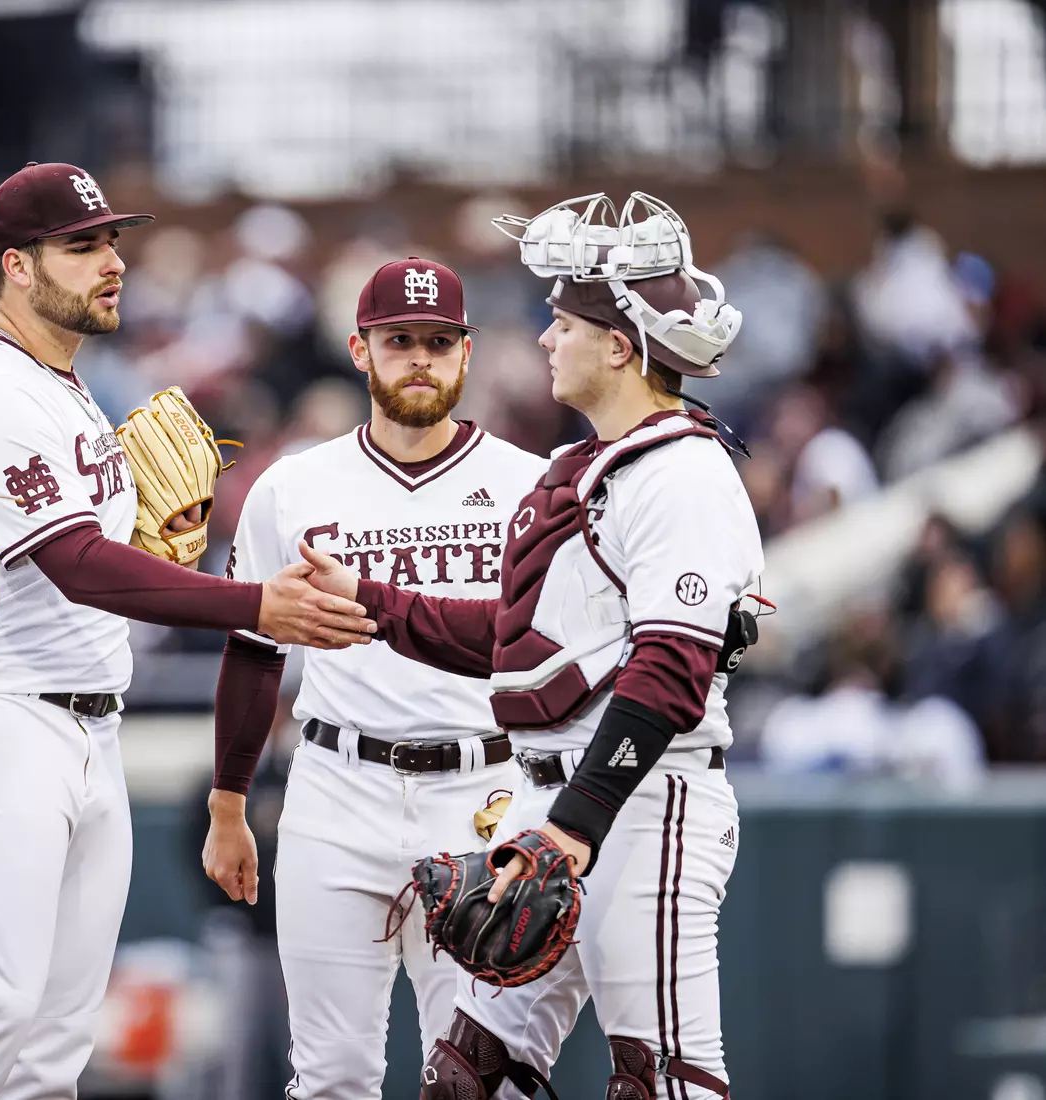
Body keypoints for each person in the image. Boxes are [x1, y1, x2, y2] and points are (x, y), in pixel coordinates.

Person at [0, 161, 376, 1099]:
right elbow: (78, 566)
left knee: (55, 1043)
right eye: (81, 246)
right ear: (16, 268)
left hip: (85, 721)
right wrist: (250, 604)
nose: (110, 260)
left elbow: (99, 555)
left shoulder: (66, 387)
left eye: (112, 241)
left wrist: (156, 548)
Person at [299, 193, 761, 1100]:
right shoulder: (588, 467)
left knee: (661, 1078)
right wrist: (370, 602)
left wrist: (571, 829)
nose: (545, 337)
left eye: (562, 319)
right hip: (559, 813)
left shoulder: (679, 471)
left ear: (619, 343)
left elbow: (670, 674)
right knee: (468, 1077)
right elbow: (514, 646)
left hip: (637, 805)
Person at [202, 257, 545, 1099]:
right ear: (360, 351)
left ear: (466, 354)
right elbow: (252, 649)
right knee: (330, 1075)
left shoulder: (527, 486)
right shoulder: (291, 486)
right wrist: (227, 803)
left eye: (437, 342)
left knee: (474, 1078)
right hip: (335, 786)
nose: (419, 360)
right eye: (399, 342)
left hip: (482, 787)